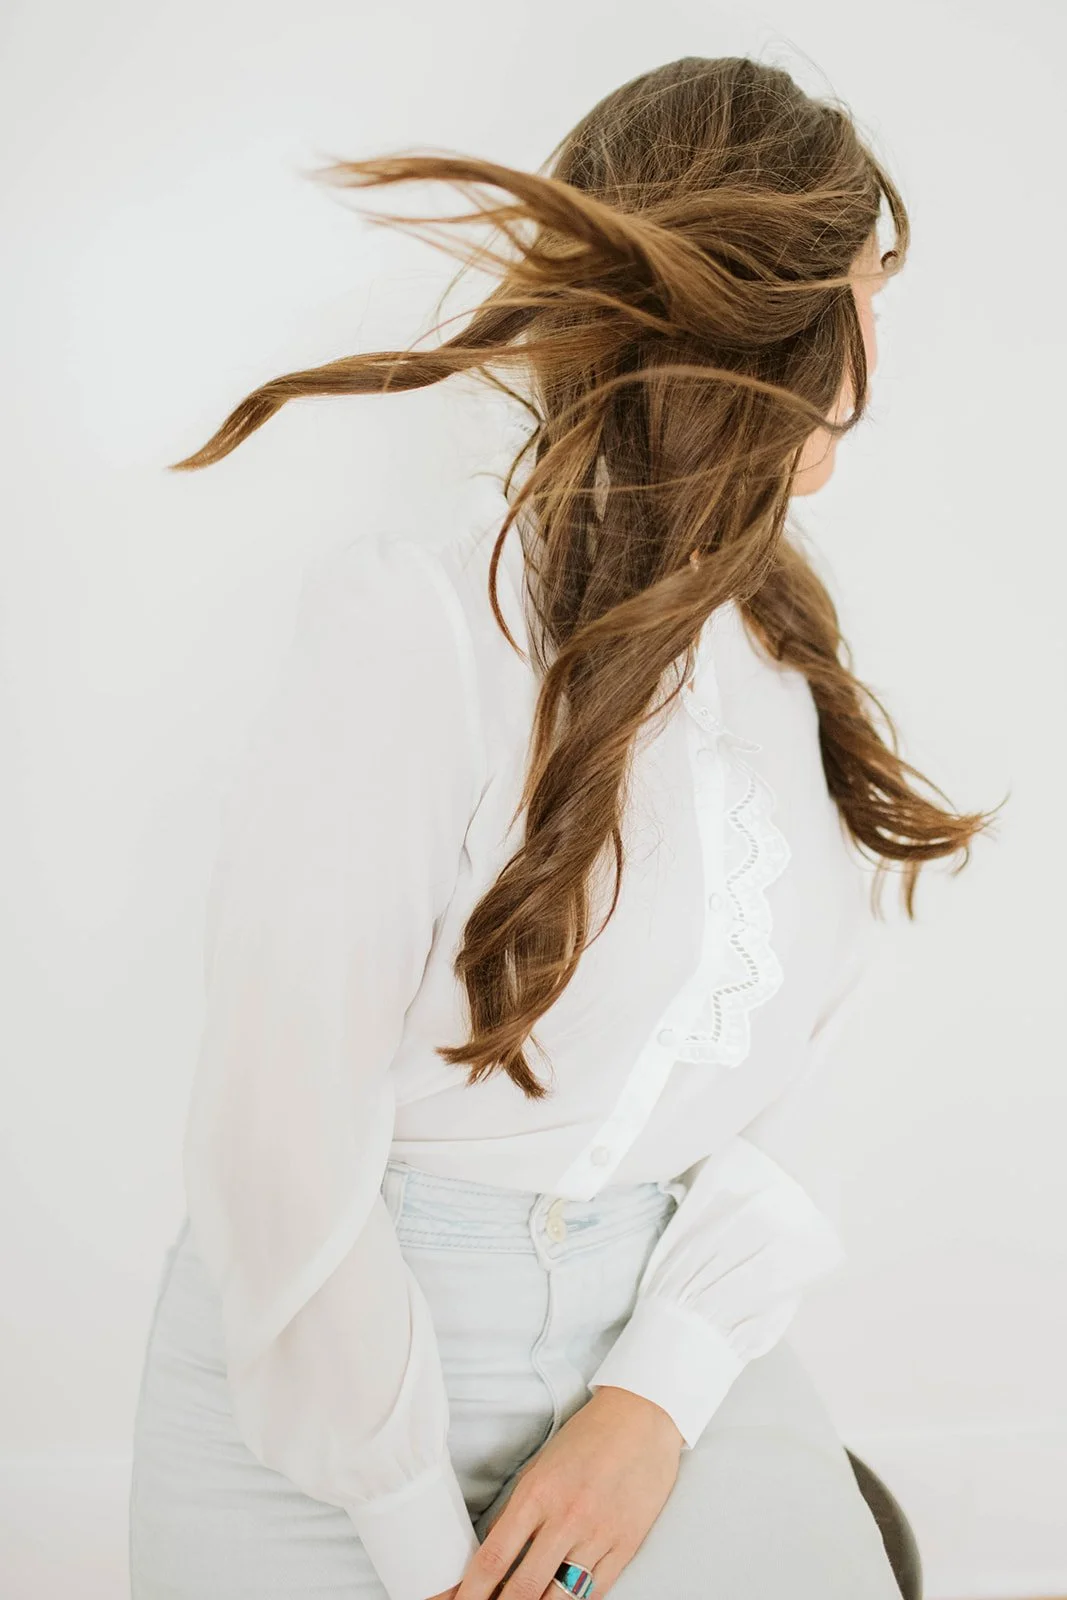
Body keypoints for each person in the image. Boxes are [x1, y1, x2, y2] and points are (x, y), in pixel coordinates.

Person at [129, 53, 1000, 1600]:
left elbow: (812, 1095)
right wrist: (411, 1531)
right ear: (816, 328)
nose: (883, 330)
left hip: (665, 1336)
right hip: (323, 1374)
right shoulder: (419, 631)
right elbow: (278, 1141)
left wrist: (655, 1390)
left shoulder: (789, 663)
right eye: (874, 282)